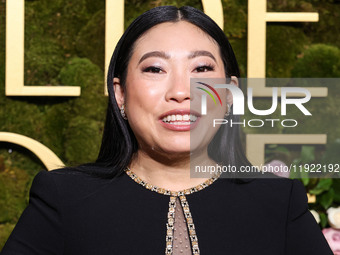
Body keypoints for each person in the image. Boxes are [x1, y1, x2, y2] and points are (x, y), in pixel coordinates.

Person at [1, 5, 333, 255]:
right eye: (155, 68)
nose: (180, 90)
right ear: (120, 94)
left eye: (202, 68)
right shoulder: (64, 198)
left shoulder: (278, 200)